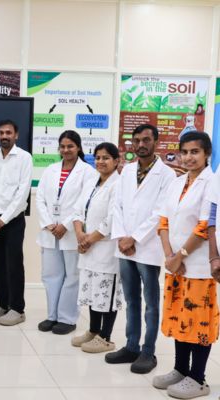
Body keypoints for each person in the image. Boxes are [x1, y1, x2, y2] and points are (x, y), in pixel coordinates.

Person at [107, 123, 176, 374]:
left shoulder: (167, 175)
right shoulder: (126, 171)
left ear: (155, 141)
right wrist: (122, 237)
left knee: (151, 303)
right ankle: (131, 346)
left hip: (147, 247)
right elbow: (117, 206)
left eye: (146, 140)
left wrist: (134, 238)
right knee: (131, 299)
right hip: (124, 246)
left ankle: (148, 352)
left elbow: (161, 212)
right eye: (136, 140)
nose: (140, 145)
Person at [153, 132, 216, 398]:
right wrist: (170, 256)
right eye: (185, 152)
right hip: (175, 265)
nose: (189, 157)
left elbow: (204, 226)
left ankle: (198, 378)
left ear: (207, 154)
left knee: (198, 321)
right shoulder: (176, 183)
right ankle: (180, 369)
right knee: (179, 317)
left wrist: (180, 256)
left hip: (198, 267)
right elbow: (163, 220)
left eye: (195, 152)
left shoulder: (212, 183)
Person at [36, 130, 97, 335]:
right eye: (62, 146)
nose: (66, 150)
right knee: (50, 275)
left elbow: (84, 202)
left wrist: (65, 224)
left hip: (71, 232)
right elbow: (40, 199)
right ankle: (52, 316)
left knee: (72, 276)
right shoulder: (50, 170)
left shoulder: (88, 172)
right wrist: (49, 224)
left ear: (78, 147)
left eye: (70, 146)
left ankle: (67, 318)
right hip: (50, 232)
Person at [70, 142, 122, 353]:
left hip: (106, 250)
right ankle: (93, 331)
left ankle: (105, 337)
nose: (101, 161)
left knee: (106, 294)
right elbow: (77, 210)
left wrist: (89, 240)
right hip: (88, 249)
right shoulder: (93, 182)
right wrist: (80, 234)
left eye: (106, 158)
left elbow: (111, 219)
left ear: (116, 161)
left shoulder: (118, 185)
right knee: (93, 292)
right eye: (98, 157)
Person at [0, 120, 32, 326]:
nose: (4, 136)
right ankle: (1, 304)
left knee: (14, 265)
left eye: (8, 132)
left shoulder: (24, 158)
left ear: (16, 135)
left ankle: (17, 309)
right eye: (1, 132)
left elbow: (22, 193)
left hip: (12, 221)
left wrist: (2, 220)